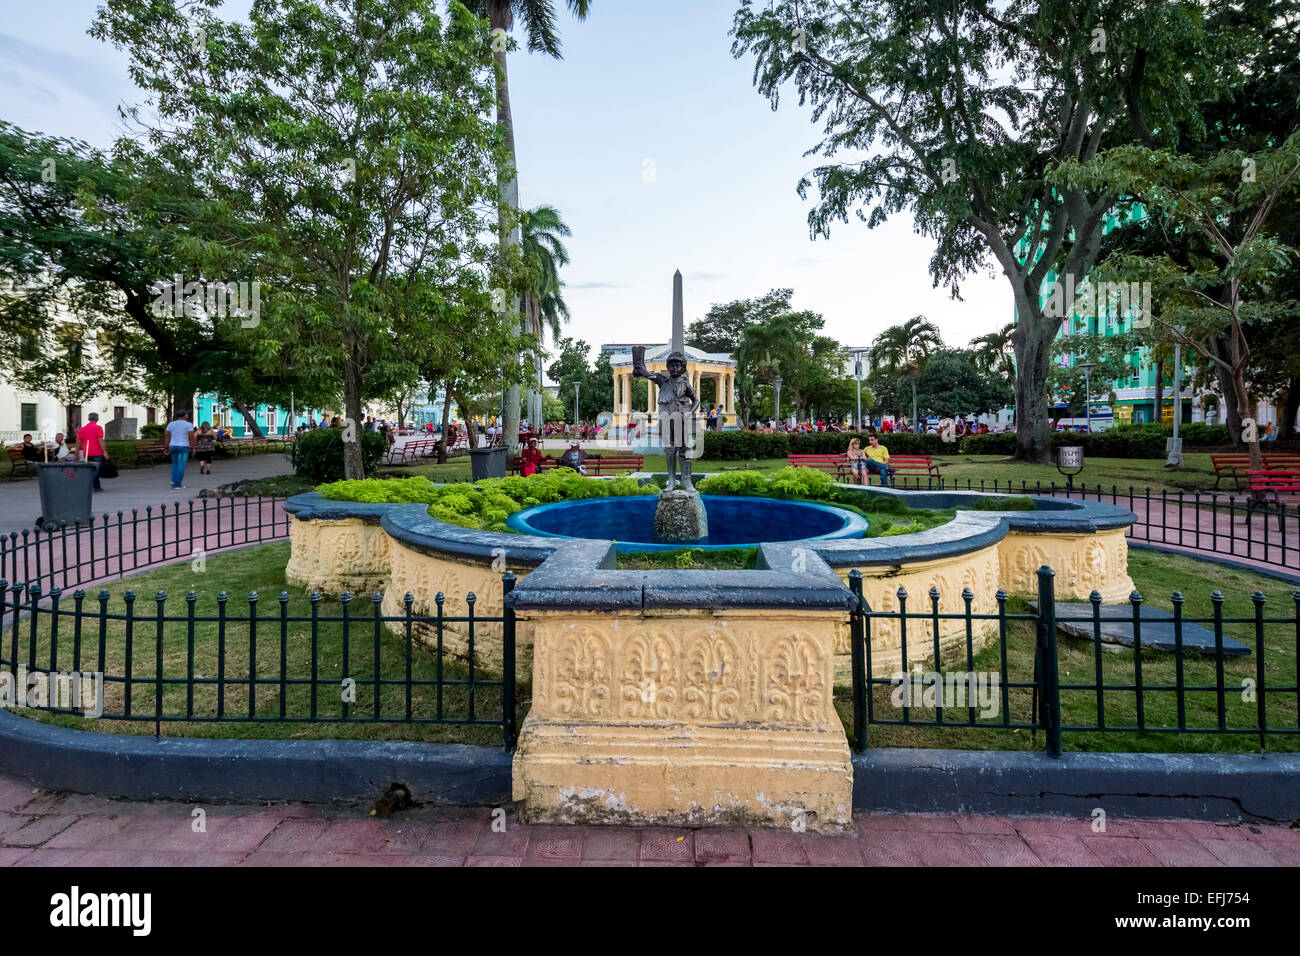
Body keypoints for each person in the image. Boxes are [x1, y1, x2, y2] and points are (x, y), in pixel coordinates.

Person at [165, 410, 195, 490]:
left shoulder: (171, 424)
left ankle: (174, 481)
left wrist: (166, 447)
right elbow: (191, 436)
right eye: (187, 415)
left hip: (173, 445)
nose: (187, 416)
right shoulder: (188, 425)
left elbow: (167, 436)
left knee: (175, 464)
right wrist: (193, 447)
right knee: (181, 465)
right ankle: (177, 484)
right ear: (185, 415)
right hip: (183, 446)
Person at [76, 412, 106, 492]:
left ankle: (97, 487)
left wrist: (77, 452)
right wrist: (105, 452)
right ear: (97, 419)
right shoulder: (98, 428)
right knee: (96, 470)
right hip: (97, 452)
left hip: (87, 452)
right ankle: (87, 483)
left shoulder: (82, 429)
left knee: (91, 469)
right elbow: (100, 440)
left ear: (89, 419)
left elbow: (78, 441)